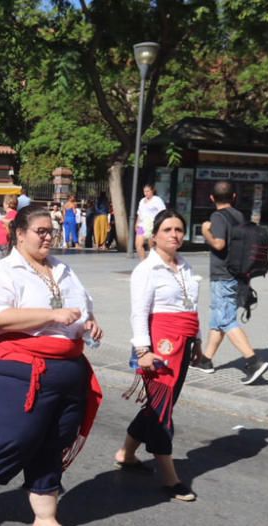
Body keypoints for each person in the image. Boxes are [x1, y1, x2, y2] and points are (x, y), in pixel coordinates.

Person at [0, 206, 103, 526]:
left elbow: (83, 306)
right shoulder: (4, 272)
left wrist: (88, 322)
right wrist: (50, 315)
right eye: (41, 231)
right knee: (14, 441)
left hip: (67, 369)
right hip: (19, 370)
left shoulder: (63, 269)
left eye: (52, 231)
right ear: (20, 234)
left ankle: (46, 517)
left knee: (56, 440)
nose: (49, 236)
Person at [115, 209, 200, 501]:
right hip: (158, 347)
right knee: (162, 409)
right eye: (168, 230)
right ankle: (170, 476)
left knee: (158, 405)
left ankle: (126, 453)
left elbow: (191, 307)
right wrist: (143, 351)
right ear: (154, 237)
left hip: (183, 344)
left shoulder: (185, 265)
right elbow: (138, 312)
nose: (175, 234)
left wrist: (197, 341)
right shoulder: (147, 270)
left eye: (179, 229)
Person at [191, 181, 268, 384]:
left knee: (226, 320)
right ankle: (205, 361)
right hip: (237, 274)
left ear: (211, 198)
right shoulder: (238, 216)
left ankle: (253, 362)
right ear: (234, 197)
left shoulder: (217, 217)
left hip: (223, 275)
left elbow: (219, 243)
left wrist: (206, 231)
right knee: (218, 319)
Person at [135, 184, 166, 260]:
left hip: (152, 225)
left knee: (151, 246)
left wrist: (158, 224)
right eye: (144, 191)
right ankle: (143, 261)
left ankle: (153, 261)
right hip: (142, 225)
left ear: (152, 191)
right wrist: (137, 223)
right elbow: (139, 213)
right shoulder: (142, 201)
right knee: (138, 244)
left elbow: (162, 212)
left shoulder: (157, 200)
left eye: (148, 191)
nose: (146, 193)